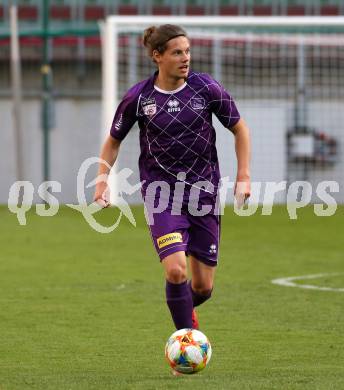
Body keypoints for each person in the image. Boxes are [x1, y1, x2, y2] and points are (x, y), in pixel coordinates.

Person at [94, 24, 251, 332]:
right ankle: (184, 343)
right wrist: (102, 179)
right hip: (161, 197)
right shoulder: (139, 98)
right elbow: (113, 141)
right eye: (177, 52)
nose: (185, 58)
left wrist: (244, 174)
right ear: (157, 56)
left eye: (188, 51)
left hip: (204, 195)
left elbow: (240, 129)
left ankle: (178, 307)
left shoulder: (205, 88)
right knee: (177, 270)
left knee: (203, 287)